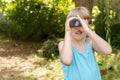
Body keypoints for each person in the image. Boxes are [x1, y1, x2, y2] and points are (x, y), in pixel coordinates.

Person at [58, 7, 112, 80]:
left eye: (82, 24)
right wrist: (67, 31)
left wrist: (87, 30)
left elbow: (107, 50)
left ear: (89, 26)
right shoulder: (64, 45)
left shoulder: (90, 42)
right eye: (74, 24)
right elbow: (67, 61)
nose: (78, 28)